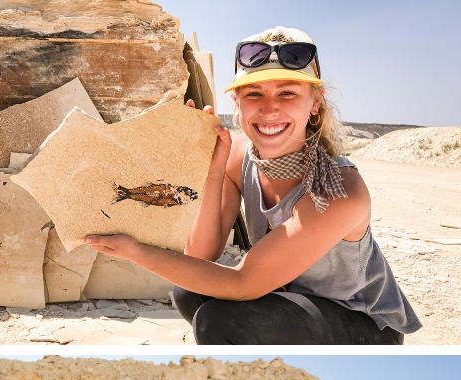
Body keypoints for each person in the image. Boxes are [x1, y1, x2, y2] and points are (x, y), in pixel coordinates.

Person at [84, 27, 419, 344]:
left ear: (315, 103)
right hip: (294, 298)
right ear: (238, 104)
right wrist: (213, 169)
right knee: (189, 290)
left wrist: (137, 252)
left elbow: (243, 282)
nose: (269, 108)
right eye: (254, 94)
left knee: (220, 320)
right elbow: (200, 255)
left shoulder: (337, 188)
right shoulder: (240, 156)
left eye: (287, 93)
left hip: (362, 322)